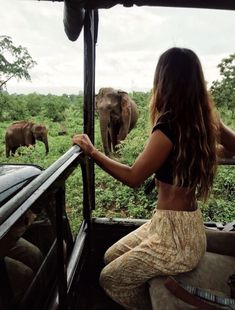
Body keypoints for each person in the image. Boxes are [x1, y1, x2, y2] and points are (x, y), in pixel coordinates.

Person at [72, 47, 235, 310]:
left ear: (164, 80)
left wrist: (93, 152)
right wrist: (207, 146)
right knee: (110, 255)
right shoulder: (200, 120)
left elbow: (134, 176)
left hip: (177, 237)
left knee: (110, 279)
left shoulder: (169, 125)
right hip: (170, 224)